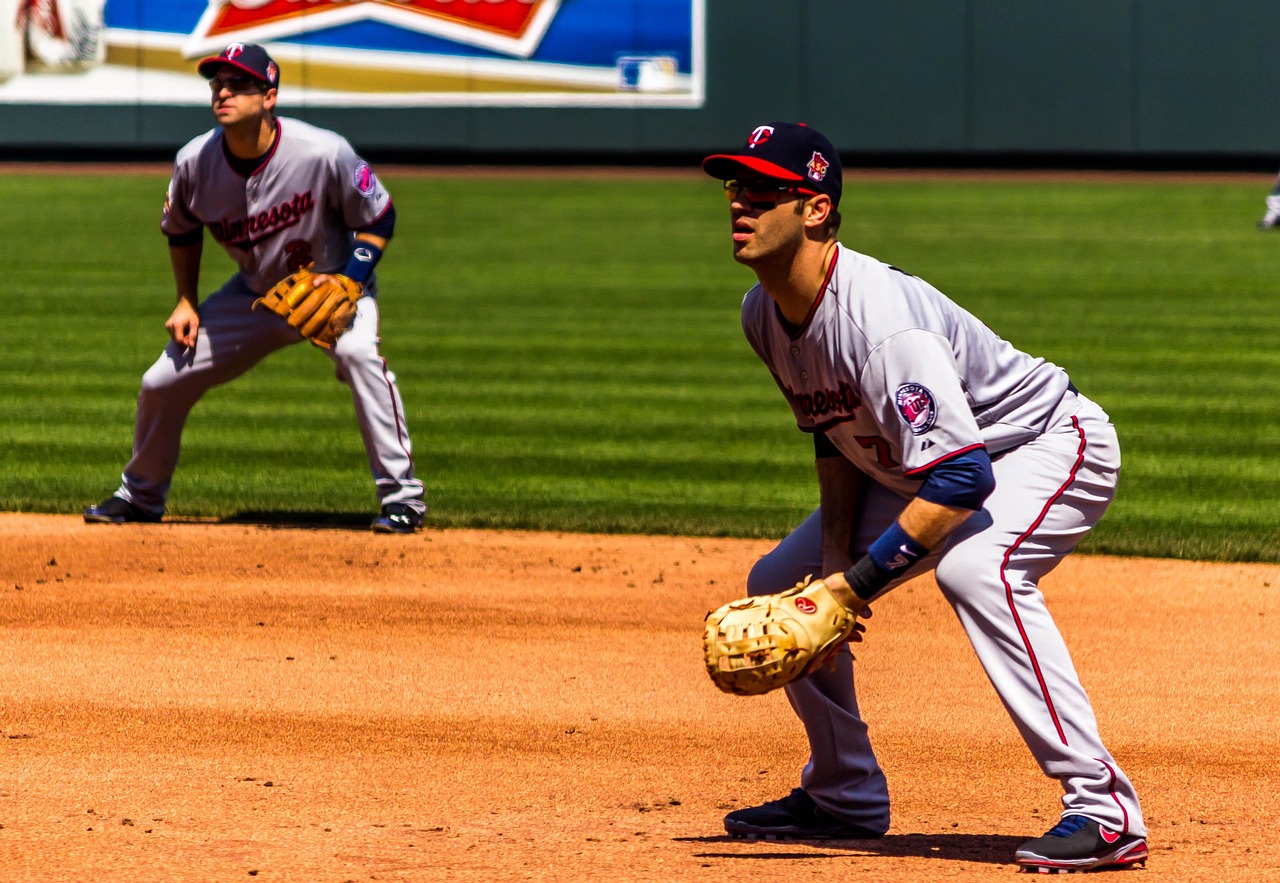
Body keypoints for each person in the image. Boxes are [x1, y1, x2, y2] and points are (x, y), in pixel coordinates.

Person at [700, 122, 1148, 873]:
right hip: (929, 468)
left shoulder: (881, 321)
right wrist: (834, 561)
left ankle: (1105, 810)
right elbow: (831, 429)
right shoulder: (762, 313)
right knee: (783, 583)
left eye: (762, 190)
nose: (740, 204)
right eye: (734, 187)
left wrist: (852, 588)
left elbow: (965, 478)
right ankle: (844, 795)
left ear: (815, 209)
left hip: (1042, 443)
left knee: (977, 570)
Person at [83, 42, 426, 534]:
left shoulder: (323, 151)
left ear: (270, 96)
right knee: (161, 381)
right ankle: (139, 496)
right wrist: (186, 299)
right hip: (253, 296)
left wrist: (351, 278)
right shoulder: (194, 161)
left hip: (331, 289)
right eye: (217, 84)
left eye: (238, 83)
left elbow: (379, 216)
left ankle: (403, 501)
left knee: (359, 358)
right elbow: (181, 229)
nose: (223, 91)